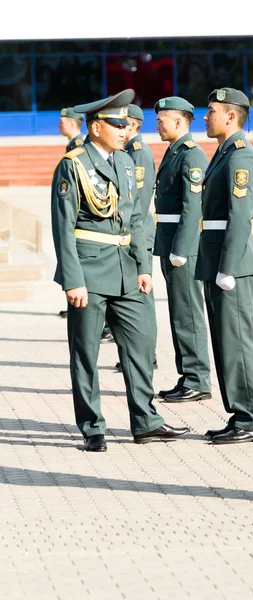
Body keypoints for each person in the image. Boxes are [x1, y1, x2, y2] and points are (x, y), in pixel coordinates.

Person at [51, 89, 190, 451]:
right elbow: (63, 227)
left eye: (127, 124)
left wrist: (144, 266)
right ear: (96, 127)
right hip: (90, 272)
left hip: (128, 270)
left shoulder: (126, 162)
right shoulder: (74, 164)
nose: (124, 130)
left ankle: (145, 421)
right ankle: (92, 426)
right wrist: (72, 279)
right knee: (86, 354)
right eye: (116, 124)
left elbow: (136, 219)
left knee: (141, 346)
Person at [195, 87, 253, 444]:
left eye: (211, 111)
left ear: (230, 115)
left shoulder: (241, 156)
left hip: (232, 264)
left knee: (237, 341)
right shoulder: (224, 152)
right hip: (217, 259)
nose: (205, 117)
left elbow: (240, 216)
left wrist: (227, 266)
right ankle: (240, 413)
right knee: (225, 341)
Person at [153, 96, 211, 403]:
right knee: (179, 312)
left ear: (178, 121)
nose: (157, 125)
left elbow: (193, 208)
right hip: (170, 242)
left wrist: (181, 249)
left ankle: (197, 379)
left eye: (162, 119)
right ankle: (187, 375)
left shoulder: (191, 155)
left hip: (182, 247)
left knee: (188, 312)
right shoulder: (175, 151)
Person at [114, 103, 158, 371]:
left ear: (133, 125)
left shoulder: (139, 154)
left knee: (142, 298)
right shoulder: (126, 152)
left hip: (137, 237)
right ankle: (136, 353)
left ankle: (146, 354)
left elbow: (138, 204)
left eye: (121, 123)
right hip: (128, 237)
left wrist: (129, 236)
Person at [58, 107, 85, 317]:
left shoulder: (78, 145)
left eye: (63, 122)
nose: (59, 125)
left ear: (72, 124)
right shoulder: (72, 144)